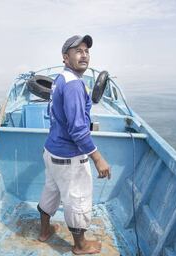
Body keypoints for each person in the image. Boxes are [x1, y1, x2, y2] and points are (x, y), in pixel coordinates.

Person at [37, 35, 111, 255]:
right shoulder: (75, 86)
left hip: (51, 152)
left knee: (51, 191)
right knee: (77, 199)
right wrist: (98, 158)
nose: (84, 54)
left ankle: (44, 232)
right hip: (69, 158)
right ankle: (80, 246)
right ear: (65, 57)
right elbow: (78, 130)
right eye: (77, 50)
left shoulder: (61, 78)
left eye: (86, 51)